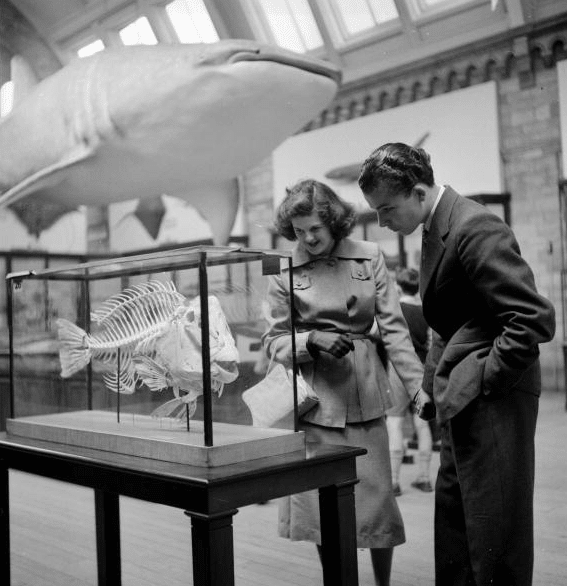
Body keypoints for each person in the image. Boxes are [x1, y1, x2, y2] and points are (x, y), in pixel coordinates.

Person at [358, 142, 556, 586]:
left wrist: (485, 380)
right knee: (457, 523)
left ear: (419, 192)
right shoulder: (435, 229)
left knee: (494, 526)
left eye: (387, 209)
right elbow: (446, 324)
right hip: (459, 397)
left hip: (493, 398)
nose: (384, 222)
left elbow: (532, 318)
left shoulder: (475, 225)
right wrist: (431, 387)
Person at [262, 178, 433, 586]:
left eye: (315, 229)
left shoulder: (370, 256)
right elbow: (271, 341)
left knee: (376, 504)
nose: (307, 238)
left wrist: (416, 389)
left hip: (366, 394)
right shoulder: (280, 266)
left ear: (334, 221)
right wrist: (309, 341)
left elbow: (394, 330)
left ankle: (383, 584)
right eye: (299, 231)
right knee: (322, 507)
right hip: (314, 403)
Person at [386, 267, 433, 496]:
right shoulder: (427, 311)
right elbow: (432, 342)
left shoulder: (394, 310)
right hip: (422, 368)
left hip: (397, 370)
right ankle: (424, 478)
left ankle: (394, 481)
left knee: (394, 422)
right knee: (421, 423)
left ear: (398, 285)